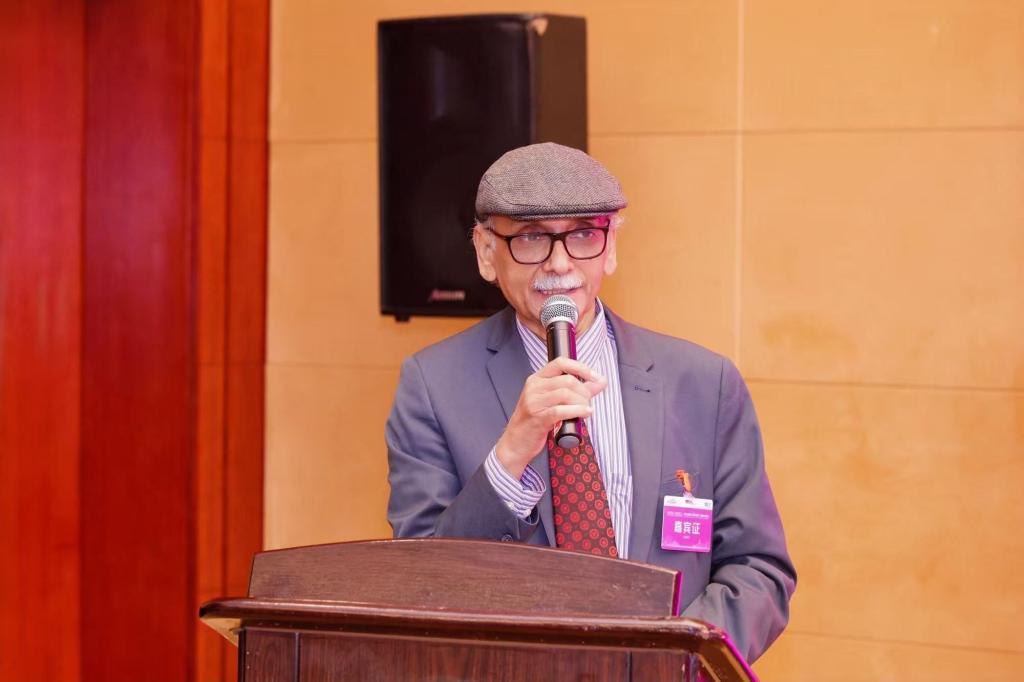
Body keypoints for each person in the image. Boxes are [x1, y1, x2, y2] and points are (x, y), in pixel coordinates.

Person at [386, 142, 796, 662]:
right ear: (487, 252)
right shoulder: (432, 385)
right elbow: (420, 584)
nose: (560, 264)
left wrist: (669, 662)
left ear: (611, 248)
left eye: (583, 235)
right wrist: (509, 458)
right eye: (531, 238)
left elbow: (758, 569)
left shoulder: (703, 382)